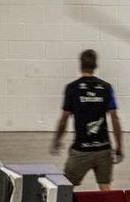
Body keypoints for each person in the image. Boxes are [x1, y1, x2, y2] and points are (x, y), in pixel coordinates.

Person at [51, 49, 123, 190]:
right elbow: (115, 119)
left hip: (81, 150)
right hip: (103, 149)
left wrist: (57, 140)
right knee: (105, 186)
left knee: (66, 187)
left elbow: (63, 119)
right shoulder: (106, 88)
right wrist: (119, 146)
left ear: (80, 65)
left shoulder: (72, 88)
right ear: (96, 65)